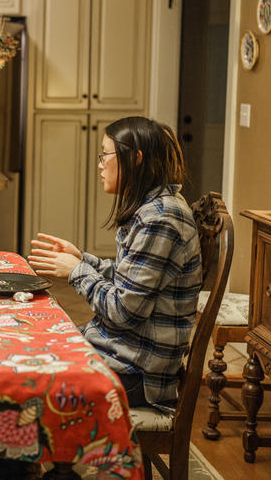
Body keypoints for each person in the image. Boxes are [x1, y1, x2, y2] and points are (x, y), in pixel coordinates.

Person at [26, 116, 201, 411]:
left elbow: (123, 312)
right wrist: (84, 259)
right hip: (120, 354)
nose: (99, 164)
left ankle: (26, 452)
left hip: (136, 374)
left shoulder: (161, 219)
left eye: (104, 154)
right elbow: (130, 279)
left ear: (135, 159)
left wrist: (76, 271)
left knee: (26, 384)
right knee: (30, 344)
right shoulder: (152, 208)